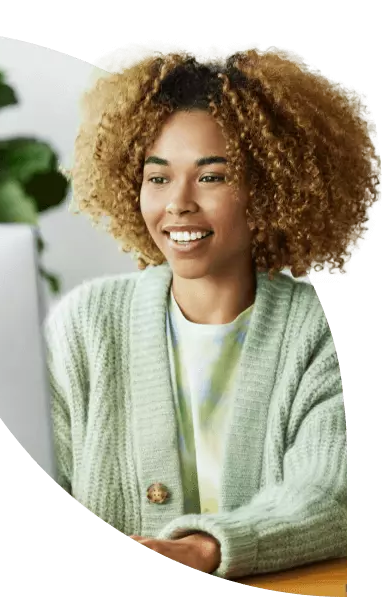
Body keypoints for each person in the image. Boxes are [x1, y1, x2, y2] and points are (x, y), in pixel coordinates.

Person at [44, 48, 378, 579]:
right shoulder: (86, 324)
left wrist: (205, 548)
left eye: (212, 177)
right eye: (157, 178)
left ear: (269, 191)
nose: (177, 202)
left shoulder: (320, 333)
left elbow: (328, 497)